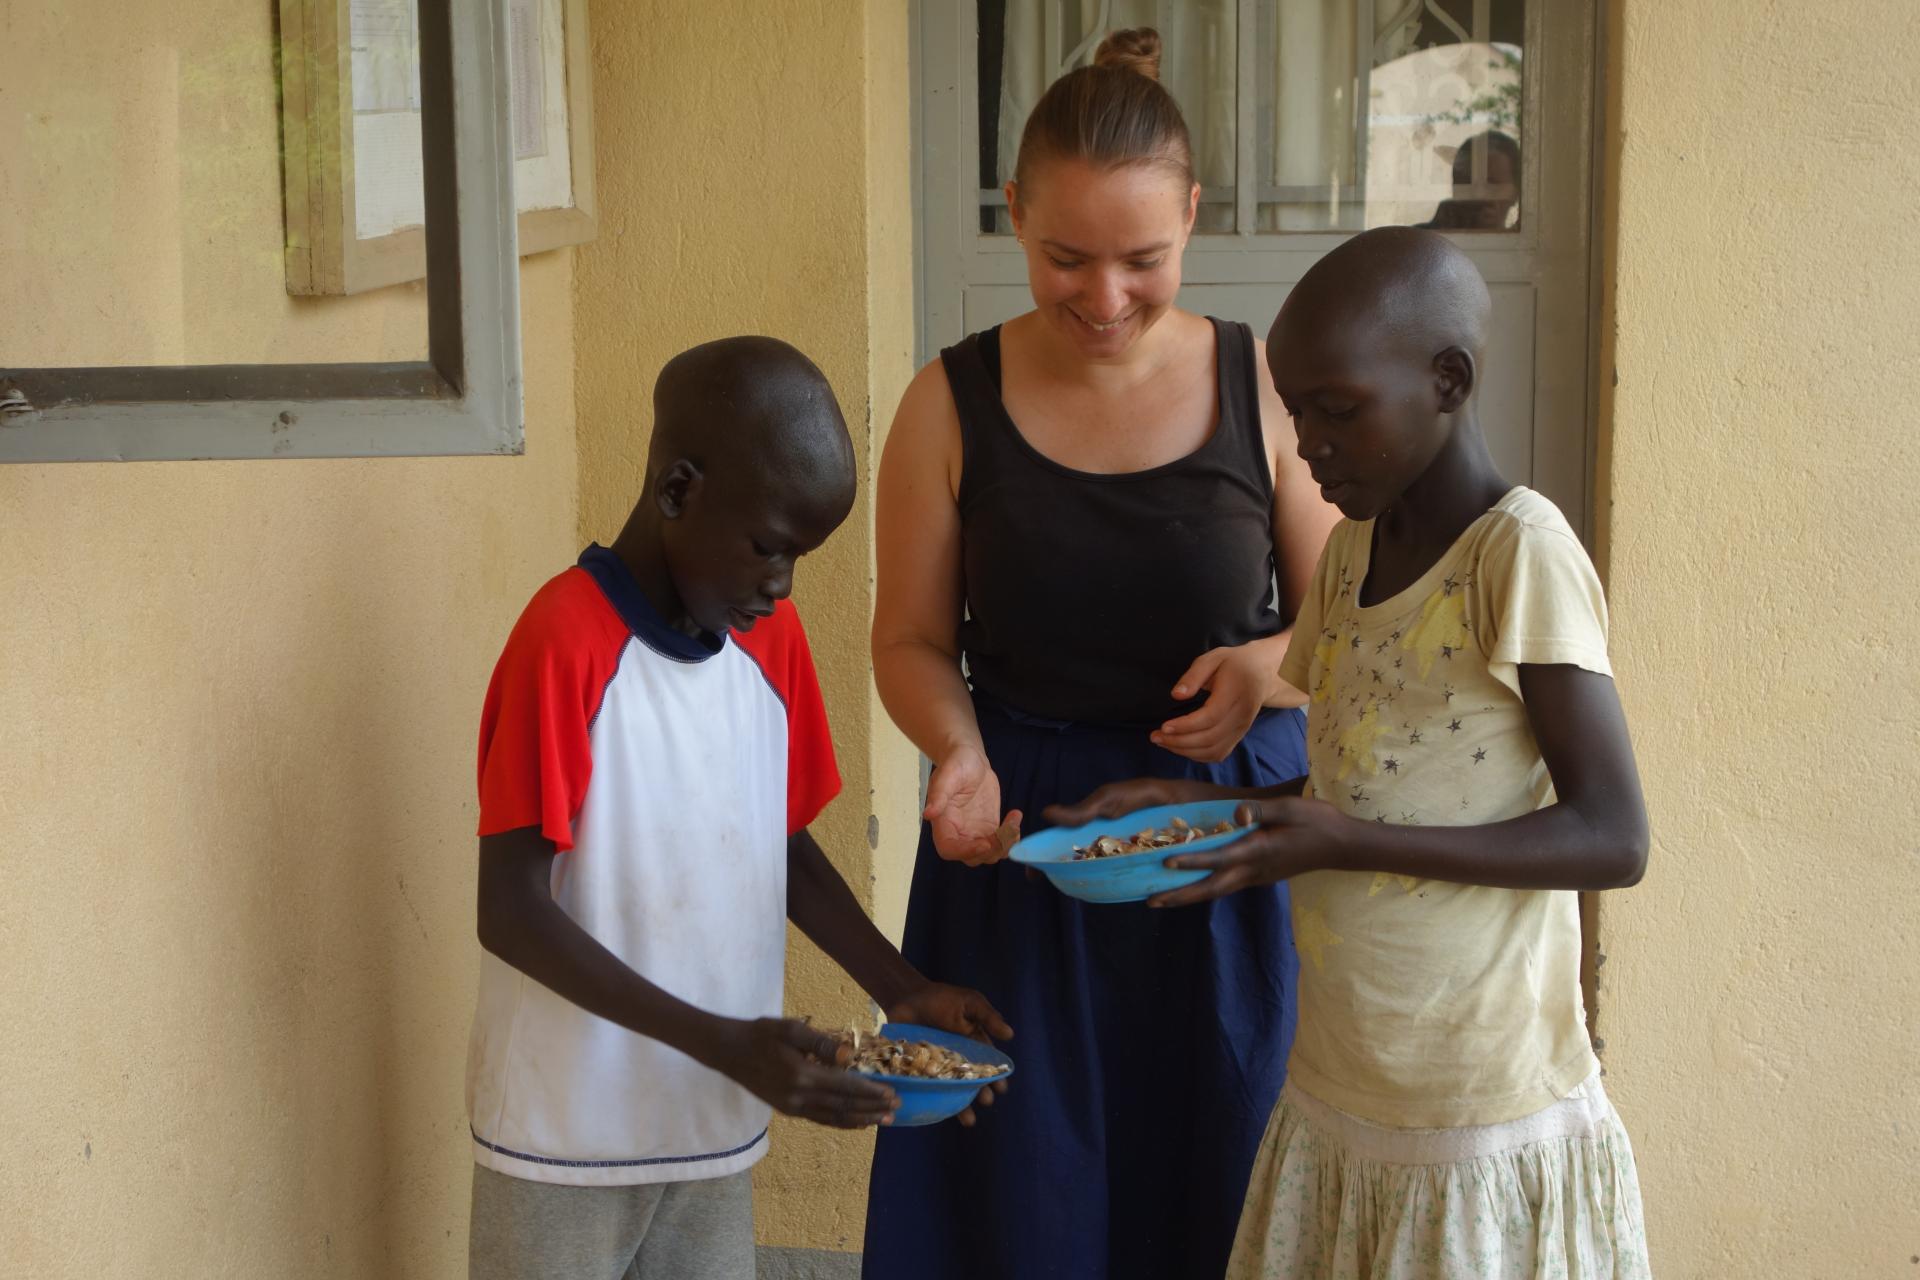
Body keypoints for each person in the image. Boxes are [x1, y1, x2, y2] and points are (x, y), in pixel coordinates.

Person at [1050, 227, 1652, 1278]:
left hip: (1474, 1098)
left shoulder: (1518, 554)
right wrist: (1199, 808)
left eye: (1338, 410)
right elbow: (1361, 777)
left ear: (1447, 381)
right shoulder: (1350, 554)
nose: (1310, 444)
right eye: (1297, 412)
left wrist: (1344, 841)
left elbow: (1613, 836)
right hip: (1344, 1082)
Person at [863, 27, 1339, 1280]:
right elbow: (909, 639)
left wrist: (1268, 667)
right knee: (1028, 1206)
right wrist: (956, 750)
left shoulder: (1258, 381)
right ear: (1013, 211)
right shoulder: (946, 402)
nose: (1107, 297)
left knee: (1224, 1172)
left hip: (1224, 845)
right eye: (1066, 258)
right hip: (1023, 845)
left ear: (1191, 215)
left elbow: (1345, 622)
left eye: (1145, 260)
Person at [463, 337, 1011, 1280]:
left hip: (711, 1125)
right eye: (769, 546)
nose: (783, 583)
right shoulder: (565, 641)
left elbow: (779, 846)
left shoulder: (770, 640)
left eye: (801, 556)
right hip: (565, 1135)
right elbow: (508, 911)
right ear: (678, 490)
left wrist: (900, 987)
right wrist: (725, 1043)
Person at [1418, 129, 1521, 230]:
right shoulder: (1420, 238)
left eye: (1493, 185)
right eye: (1468, 183)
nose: (1479, 194)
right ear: (1455, 189)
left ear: (1516, 194)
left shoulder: (1524, 239)